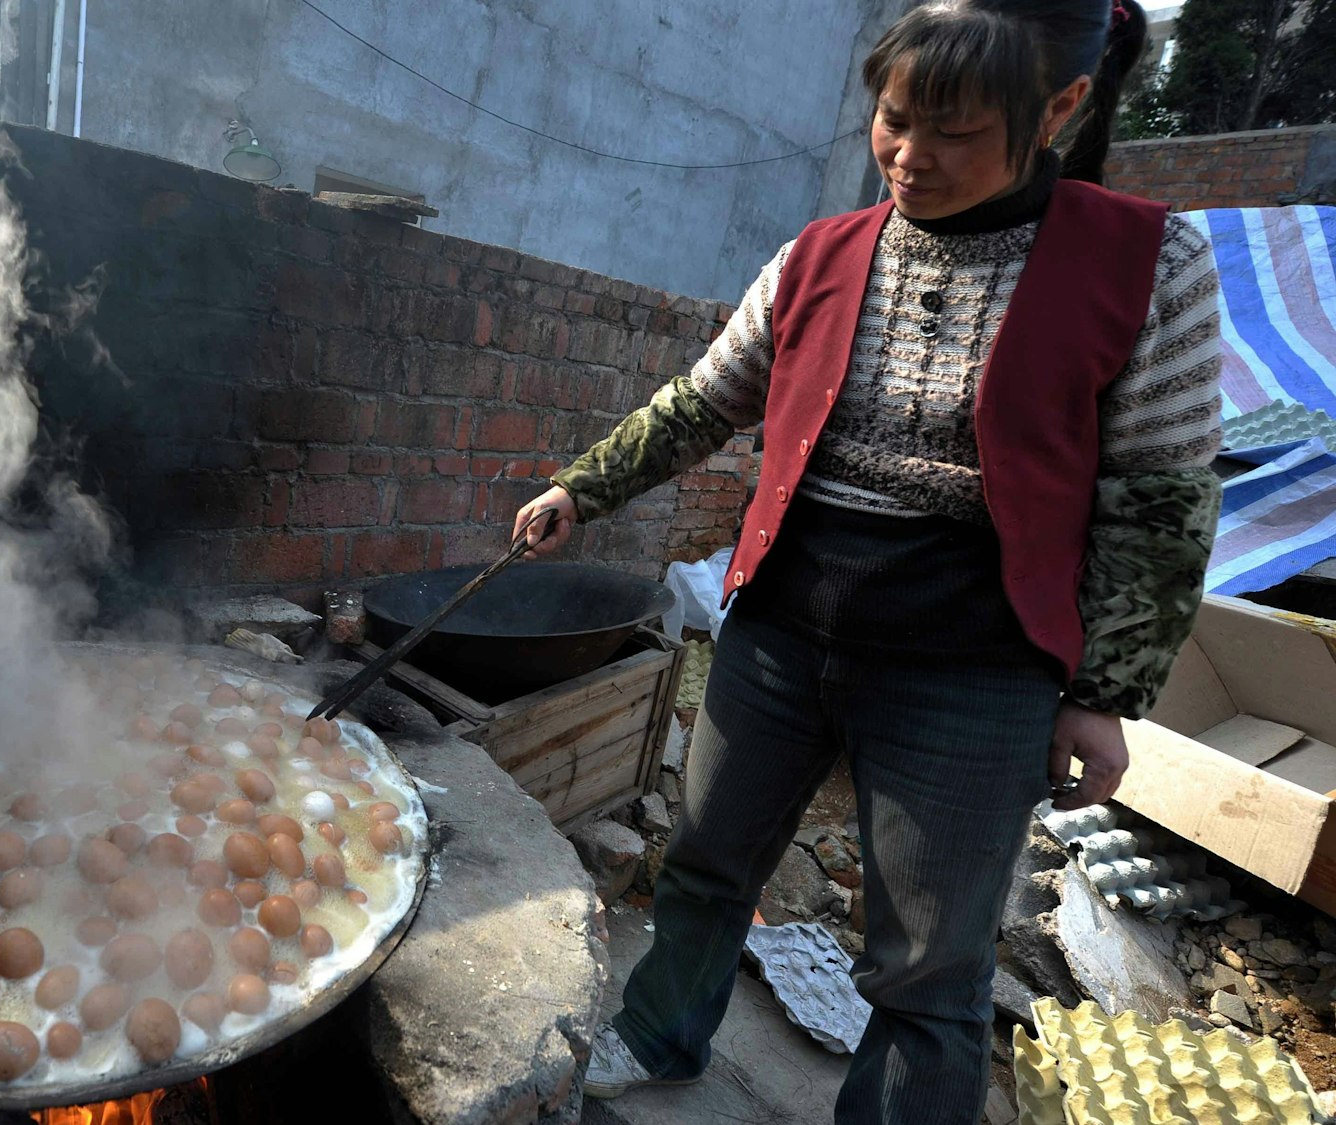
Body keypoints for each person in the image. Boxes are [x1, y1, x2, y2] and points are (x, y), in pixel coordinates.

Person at [512, 1, 1221, 1120]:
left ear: (1059, 108)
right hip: (781, 631)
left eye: (957, 131)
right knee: (704, 862)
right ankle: (657, 1036)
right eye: (894, 120)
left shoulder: (1149, 263)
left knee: (928, 962)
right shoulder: (821, 254)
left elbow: (1162, 499)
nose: (909, 157)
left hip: (972, 665)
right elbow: (705, 400)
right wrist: (580, 487)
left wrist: (1103, 694)